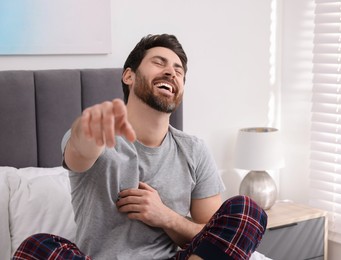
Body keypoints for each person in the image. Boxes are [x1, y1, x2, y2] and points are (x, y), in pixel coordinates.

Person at [12, 34, 267, 260]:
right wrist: (86, 134)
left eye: (179, 71)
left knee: (248, 212)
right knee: (38, 246)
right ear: (129, 75)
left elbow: (210, 236)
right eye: (159, 62)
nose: (171, 72)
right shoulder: (97, 135)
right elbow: (79, 153)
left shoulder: (194, 150)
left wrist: (164, 216)